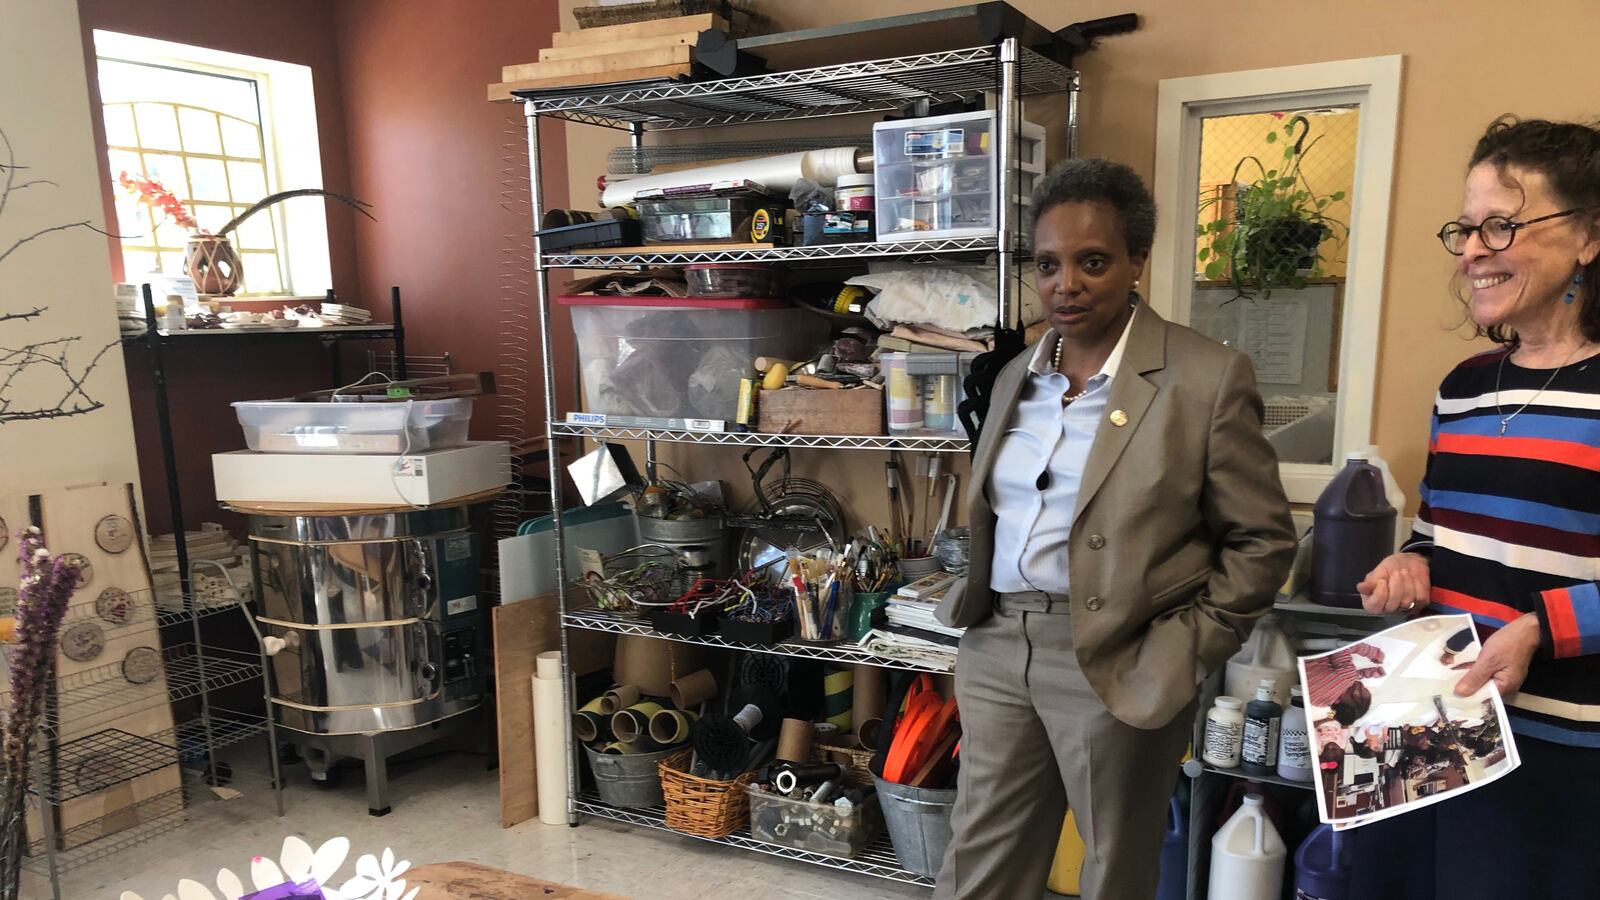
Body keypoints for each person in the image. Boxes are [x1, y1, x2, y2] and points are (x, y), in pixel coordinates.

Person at [932, 158, 1296, 900]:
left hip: (1122, 655)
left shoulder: (1205, 376)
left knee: (1113, 870)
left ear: (1137, 262)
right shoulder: (1014, 378)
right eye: (1048, 265)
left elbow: (1262, 542)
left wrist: (1181, 651)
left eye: (1093, 262)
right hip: (1000, 644)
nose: (1067, 284)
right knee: (980, 861)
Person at [1351, 116, 1600, 898]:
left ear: (1589, 237)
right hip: (1432, 722)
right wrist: (1407, 561)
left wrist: (1542, 629)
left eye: (1502, 224)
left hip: (1557, 752)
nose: (1471, 250)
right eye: (1466, 228)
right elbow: (1438, 533)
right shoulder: (1461, 388)